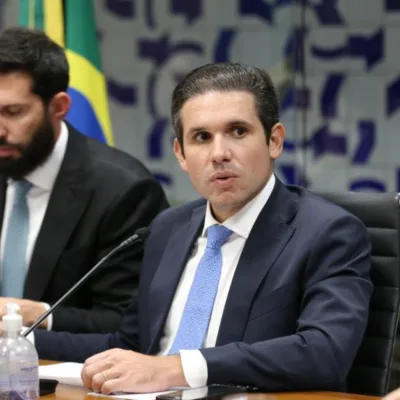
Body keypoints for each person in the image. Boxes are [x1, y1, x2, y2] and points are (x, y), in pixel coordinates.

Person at [33, 62, 373, 394]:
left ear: (274, 141)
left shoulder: (328, 232)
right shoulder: (169, 227)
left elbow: (324, 352)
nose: (219, 153)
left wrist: (177, 368)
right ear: (181, 154)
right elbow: (130, 344)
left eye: (238, 131)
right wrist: (22, 340)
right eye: (201, 137)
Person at [0, 27, 169, 334]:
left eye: (12, 112)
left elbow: (128, 323)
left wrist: (38, 315)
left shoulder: (124, 191)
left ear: (59, 107)